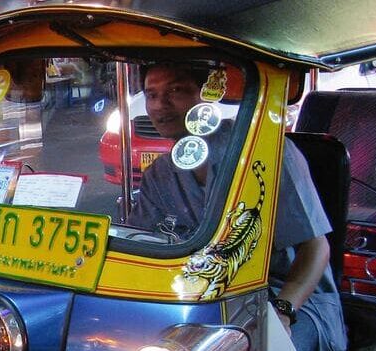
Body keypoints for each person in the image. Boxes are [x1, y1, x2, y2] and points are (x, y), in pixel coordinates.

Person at [129, 63, 346, 351]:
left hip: (291, 299)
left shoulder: (268, 154)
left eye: (176, 91)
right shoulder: (160, 174)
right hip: (206, 303)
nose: (159, 106)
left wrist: (282, 311)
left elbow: (316, 249)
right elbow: (142, 242)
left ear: (206, 96)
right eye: (151, 94)